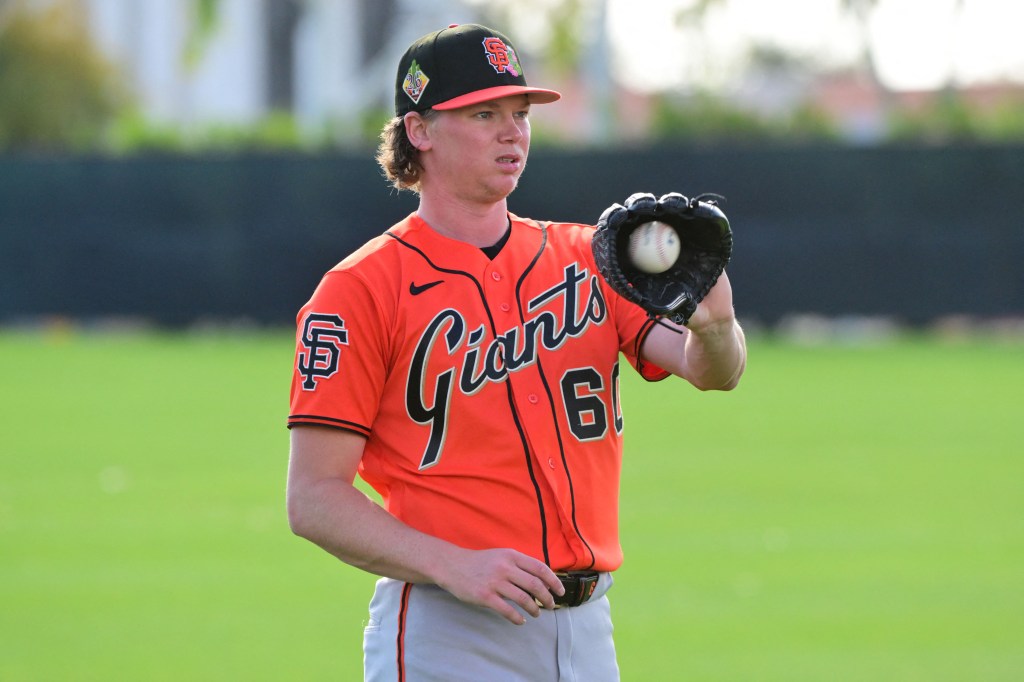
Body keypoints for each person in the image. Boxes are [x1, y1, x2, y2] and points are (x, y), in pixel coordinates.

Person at [286, 23, 746, 681]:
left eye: (520, 113)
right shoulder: (359, 290)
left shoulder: (592, 256)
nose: (513, 131)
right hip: (451, 632)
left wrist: (714, 326)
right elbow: (314, 498)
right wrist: (455, 564)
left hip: (588, 632)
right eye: (484, 114)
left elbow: (715, 374)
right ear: (419, 130)